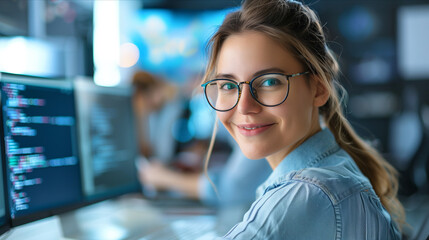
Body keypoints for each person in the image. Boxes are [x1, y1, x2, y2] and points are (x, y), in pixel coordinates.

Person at [199, 0, 406, 239]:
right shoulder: (331, 173)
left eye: (269, 82)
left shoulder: (307, 193)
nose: (244, 106)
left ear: (318, 89)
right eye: (227, 85)